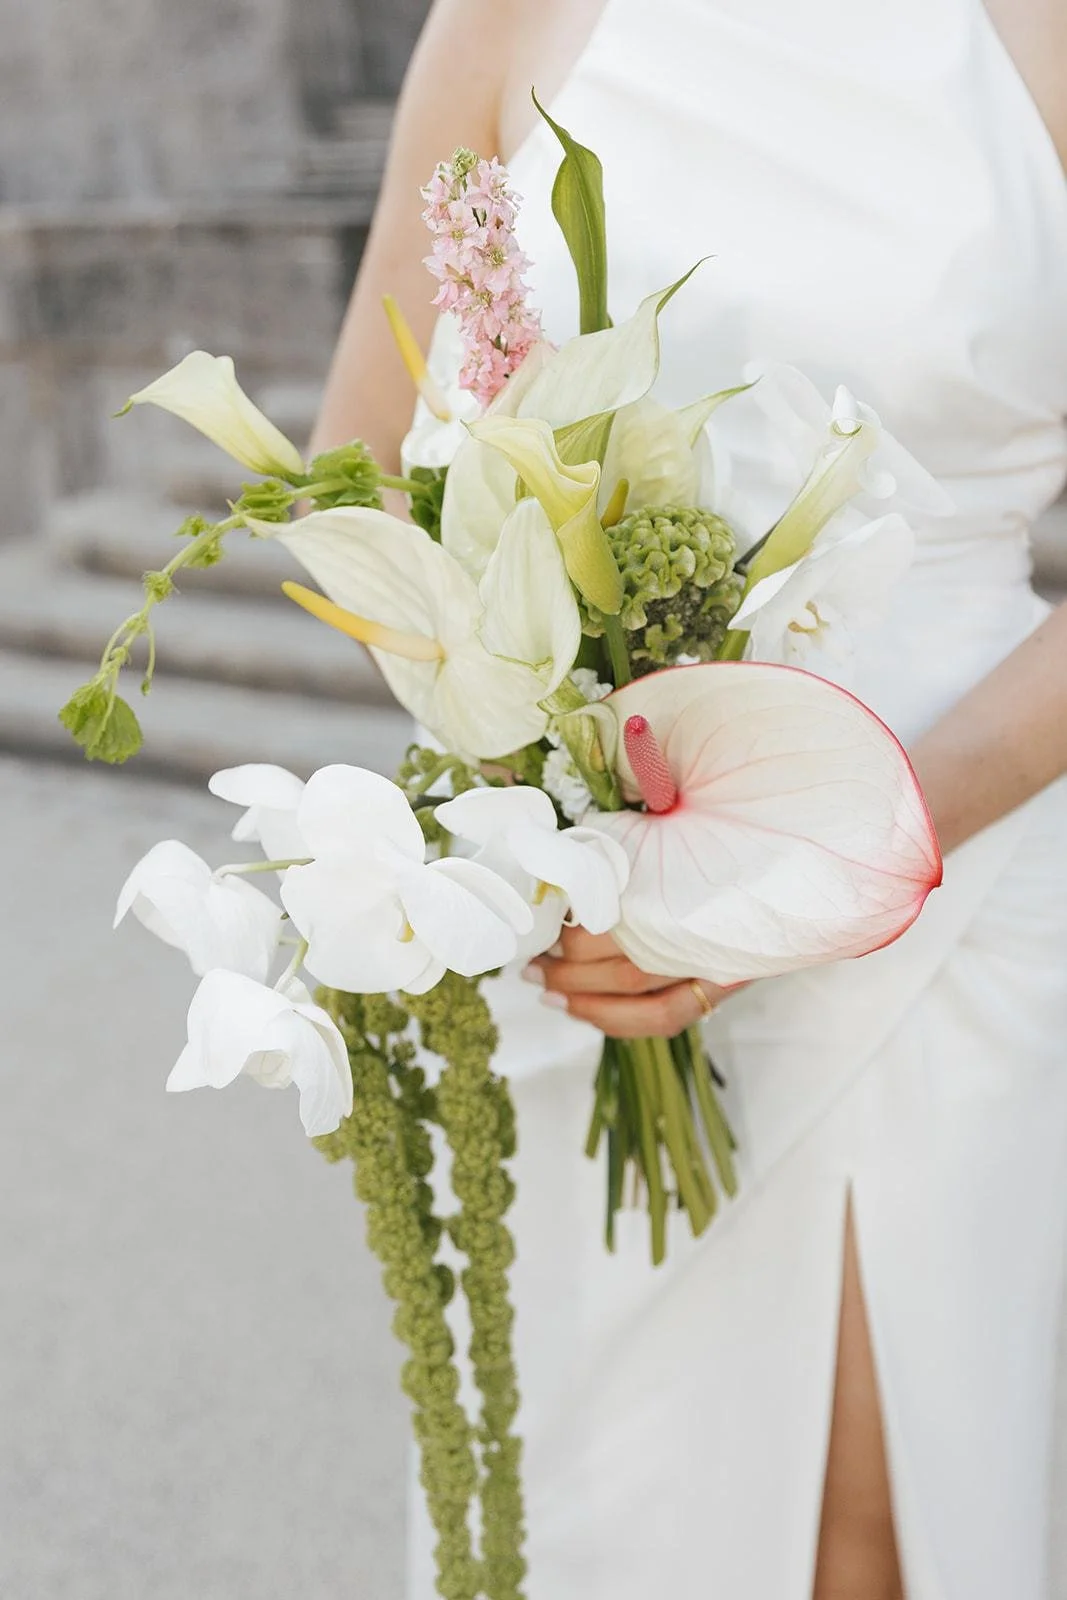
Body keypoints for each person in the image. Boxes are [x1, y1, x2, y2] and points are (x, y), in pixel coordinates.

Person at [310, 2, 1067, 1595]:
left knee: (887, 1534)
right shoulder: (515, 15)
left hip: (952, 863)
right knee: (614, 1521)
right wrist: (537, 777)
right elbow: (360, 469)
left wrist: (821, 847)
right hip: (588, 918)